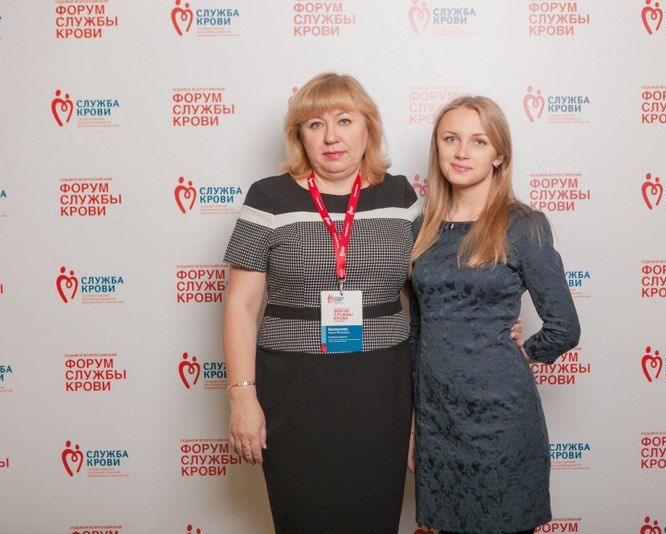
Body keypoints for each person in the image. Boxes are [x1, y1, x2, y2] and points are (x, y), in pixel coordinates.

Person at [221, 72, 421, 533]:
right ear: (300, 136)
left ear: (368, 128)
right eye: (315, 124)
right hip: (293, 390)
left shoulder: (400, 197)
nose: (331, 136)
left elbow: (430, 297)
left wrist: (489, 319)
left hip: (382, 389)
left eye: (344, 120)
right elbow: (240, 306)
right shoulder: (268, 197)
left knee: (374, 517)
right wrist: (242, 397)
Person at [407, 96, 581, 533]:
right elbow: (418, 331)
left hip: (501, 418)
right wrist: (413, 423)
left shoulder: (522, 225)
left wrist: (522, 352)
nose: (462, 152)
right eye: (451, 139)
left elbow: (564, 326)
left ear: (499, 155)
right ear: (437, 146)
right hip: (438, 419)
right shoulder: (421, 229)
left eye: (479, 141)